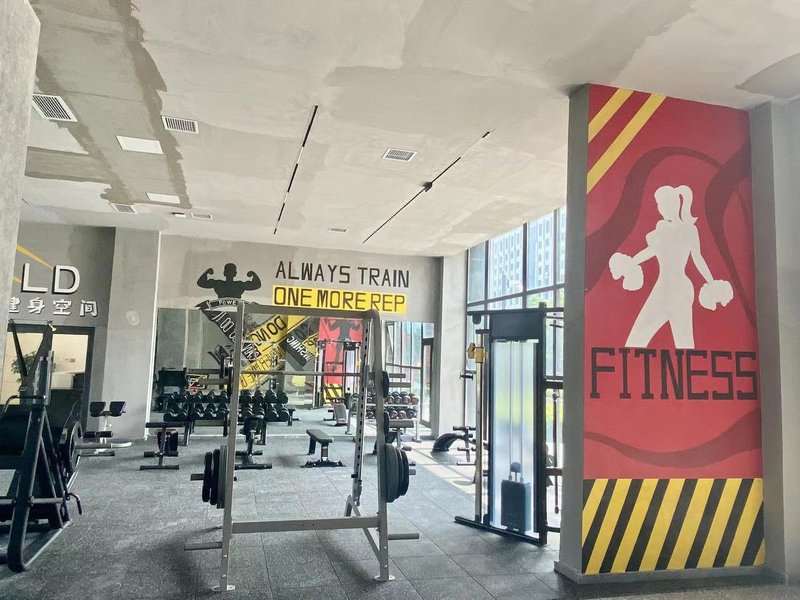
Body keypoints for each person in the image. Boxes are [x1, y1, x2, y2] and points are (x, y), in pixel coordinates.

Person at [608, 185, 732, 349]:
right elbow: (652, 250)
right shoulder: (662, 228)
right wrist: (632, 262)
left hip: (680, 289)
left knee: (684, 342)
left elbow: (698, 258)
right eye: (658, 205)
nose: (659, 209)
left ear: (672, 204)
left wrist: (711, 283)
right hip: (663, 288)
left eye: (661, 204)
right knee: (636, 339)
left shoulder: (690, 230)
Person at [197, 263, 261, 299]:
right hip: (223, 309)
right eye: (229, 271)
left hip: (228, 309)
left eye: (231, 271)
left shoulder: (218, 284)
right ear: (235, 274)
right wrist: (253, 274)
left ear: (224, 273)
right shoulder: (240, 285)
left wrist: (207, 272)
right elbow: (257, 285)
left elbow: (201, 283)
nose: (229, 273)